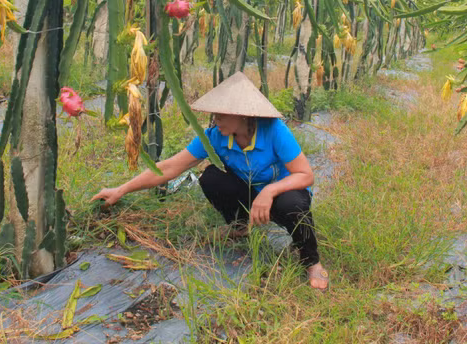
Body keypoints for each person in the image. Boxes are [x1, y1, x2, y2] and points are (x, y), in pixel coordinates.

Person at [91, 71, 329, 290]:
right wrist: (122, 190)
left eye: (220, 113)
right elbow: (169, 167)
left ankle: (311, 261)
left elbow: (305, 175)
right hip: (248, 192)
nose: (215, 119)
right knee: (211, 178)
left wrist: (270, 192)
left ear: (241, 114)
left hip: (283, 193)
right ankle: (240, 226)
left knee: (293, 205)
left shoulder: (274, 130)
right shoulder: (214, 137)